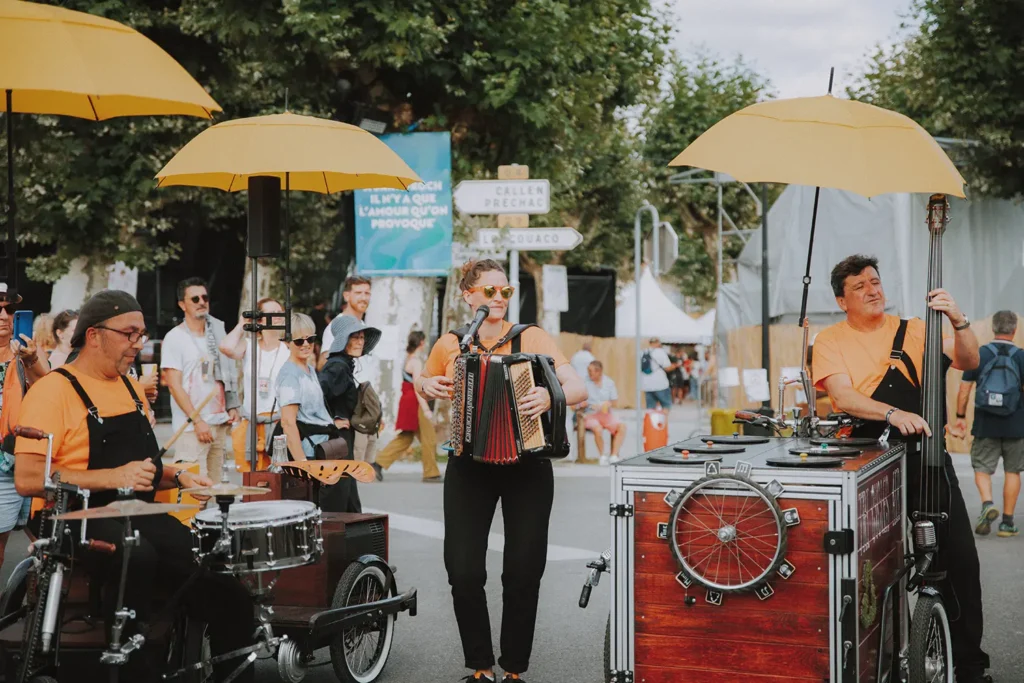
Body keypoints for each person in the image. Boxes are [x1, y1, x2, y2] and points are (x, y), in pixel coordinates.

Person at [13, 290, 253, 683]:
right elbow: (27, 478)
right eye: (130, 333)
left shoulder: (130, 388)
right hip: (72, 518)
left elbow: (142, 466)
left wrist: (178, 476)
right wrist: (113, 477)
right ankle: (128, 664)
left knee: (223, 579)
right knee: (136, 555)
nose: (139, 343)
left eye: (141, 334)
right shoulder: (52, 391)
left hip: (138, 512)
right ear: (94, 335)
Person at [812, 254, 989, 683]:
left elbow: (970, 361)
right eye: (860, 286)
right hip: (868, 463)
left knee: (959, 561)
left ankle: (968, 666)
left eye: (875, 281)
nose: (872, 290)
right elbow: (843, 396)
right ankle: (880, 662)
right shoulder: (830, 339)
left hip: (926, 456)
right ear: (841, 301)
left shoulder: (915, 329)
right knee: (872, 566)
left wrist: (958, 319)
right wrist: (892, 413)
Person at [416, 259, 586, 683]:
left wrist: (549, 395)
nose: (499, 298)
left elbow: (579, 388)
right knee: (463, 571)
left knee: (523, 571)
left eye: (505, 291)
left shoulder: (531, 337)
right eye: (489, 291)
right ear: (468, 295)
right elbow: (424, 379)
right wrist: (425, 385)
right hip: (468, 464)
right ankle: (480, 667)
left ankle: (513, 669)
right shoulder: (452, 343)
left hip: (527, 465)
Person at [276, 313, 361, 512]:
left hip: (324, 450)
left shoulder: (309, 370)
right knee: (319, 514)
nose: (306, 344)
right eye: (299, 340)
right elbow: (288, 423)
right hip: (309, 454)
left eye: (310, 339)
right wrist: (303, 465)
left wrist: (331, 422)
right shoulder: (289, 374)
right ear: (287, 343)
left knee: (335, 511)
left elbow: (314, 410)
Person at [952, 310, 1023, 538]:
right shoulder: (1021, 356)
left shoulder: (980, 354)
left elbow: (964, 390)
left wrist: (960, 417)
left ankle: (987, 503)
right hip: (1016, 425)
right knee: (1013, 470)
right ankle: (1007, 523)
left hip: (985, 423)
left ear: (993, 328)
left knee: (982, 468)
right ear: (1014, 330)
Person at [161, 278, 240, 480]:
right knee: (194, 490)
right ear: (182, 304)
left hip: (218, 422)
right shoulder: (174, 338)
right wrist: (197, 421)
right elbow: (174, 386)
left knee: (215, 488)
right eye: (195, 299)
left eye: (205, 297)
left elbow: (227, 373)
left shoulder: (218, 333)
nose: (201, 302)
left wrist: (232, 404)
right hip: (191, 427)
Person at [0, 284, 48, 569]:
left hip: (28, 457)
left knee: (47, 541)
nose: (4, 316)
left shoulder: (29, 350)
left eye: (10, 310)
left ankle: (34, 592)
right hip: (3, 462)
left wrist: (30, 359)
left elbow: (49, 389)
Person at [220, 297, 289, 472]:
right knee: (252, 477)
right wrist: (242, 324)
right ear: (260, 319)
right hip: (251, 421)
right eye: (272, 313)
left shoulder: (288, 348)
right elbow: (226, 347)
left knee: (277, 477)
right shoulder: (249, 345)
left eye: (279, 312)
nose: (277, 316)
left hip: (278, 421)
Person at [319, 276, 378, 465]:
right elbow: (326, 368)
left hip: (363, 409)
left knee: (363, 471)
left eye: (367, 293)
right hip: (347, 415)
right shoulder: (337, 326)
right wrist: (334, 417)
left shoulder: (363, 326)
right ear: (346, 295)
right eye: (358, 292)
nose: (364, 297)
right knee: (351, 470)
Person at [319, 315, 383, 479]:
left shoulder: (344, 365)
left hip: (341, 439)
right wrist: (332, 422)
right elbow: (316, 398)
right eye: (355, 337)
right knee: (340, 486)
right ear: (343, 340)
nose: (360, 342)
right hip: (335, 439)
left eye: (362, 337)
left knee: (346, 487)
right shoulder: (337, 367)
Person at [374, 330, 442, 482]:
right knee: (429, 438)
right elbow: (418, 387)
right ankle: (431, 473)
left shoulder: (407, 358)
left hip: (407, 400)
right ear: (422, 343)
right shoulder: (416, 361)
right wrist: (426, 409)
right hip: (415, 403)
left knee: (406, 437)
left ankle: (378, 463)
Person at [580, 360, 626, 466]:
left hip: (605, 414)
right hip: (590, 414)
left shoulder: (609, 383)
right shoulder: (584, 382)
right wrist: (583, 404)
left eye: (591, 371)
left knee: (622, 427)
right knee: (598, 428)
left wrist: (608, 404)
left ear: (599, 371)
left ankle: (614, 456)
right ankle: (602, 456)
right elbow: (577, 402)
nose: (589, 373)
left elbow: (614, 402)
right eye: (588, 371)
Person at [640, 337, 677, 411]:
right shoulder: (660, 352)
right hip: (661, 384)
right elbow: (667, 367)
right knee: (666, 405)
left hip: (647, 384)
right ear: (658, 343)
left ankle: (653, 418)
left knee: (650, 407)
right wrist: (674, 366)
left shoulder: (643, 352)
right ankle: (663, 418)